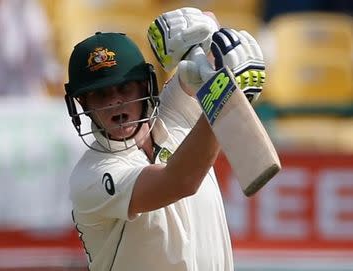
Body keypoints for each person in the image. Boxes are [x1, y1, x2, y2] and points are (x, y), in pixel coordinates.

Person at [64, 7, 266, 271]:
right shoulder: (90, 178)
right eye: (100, 95)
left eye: (125, 88)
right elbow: (179, 180)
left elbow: (209, 45)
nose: (114, 101)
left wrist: (203, 30)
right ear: (84, 104)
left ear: (146, 86)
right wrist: (223, 97)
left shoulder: (174, 113)